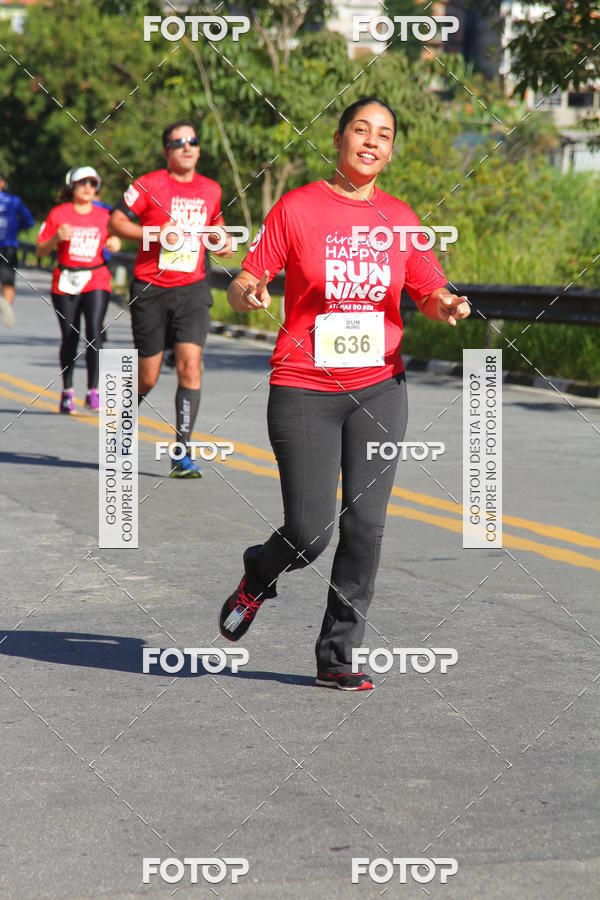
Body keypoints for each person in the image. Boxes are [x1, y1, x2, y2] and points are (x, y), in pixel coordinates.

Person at [219, 97, 470, 691]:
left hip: (380, 387)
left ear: (391, 149)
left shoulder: (402, 217)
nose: (372, 142)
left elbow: (428, 287)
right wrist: (246, 293)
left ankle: (338, 656)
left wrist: (448, 304)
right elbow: (248, 278)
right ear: (338, 140)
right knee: (309, 533)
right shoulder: (298, 207)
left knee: (365, 527)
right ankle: (259, 571)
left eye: (384, 134)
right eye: (361, 130)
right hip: (304, 385)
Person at [109, 120, 233, 478]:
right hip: (150, 289)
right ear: (167, 151)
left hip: (193, 289)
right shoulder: (148, 184)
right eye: (179, 142)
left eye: (193, 141)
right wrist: (153, 233)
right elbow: (117, 222)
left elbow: (217, 226)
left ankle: (181, 452)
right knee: (147, 376)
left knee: (190, 366)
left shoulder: (211, 189)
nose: (187, 147)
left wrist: (223, 242)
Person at [37, 167, 121, 413]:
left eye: (92, 183)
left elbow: (115, 238)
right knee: (70, 337)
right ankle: (67, 390)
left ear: (97, 188)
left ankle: (93, 391)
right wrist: (55, 240)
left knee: (94, 331)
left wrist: (115, 242)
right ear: (71, 187)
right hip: (65, 280)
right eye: (82, 183)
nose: (87, 187)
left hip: (96, 278)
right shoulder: (58, 213)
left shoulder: (105, 215)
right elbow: (40, 250)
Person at [0, 170, 35, 328]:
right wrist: (14, 229)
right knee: (8, 282)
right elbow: (29, 221)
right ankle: (7, 309)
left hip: (8, 246)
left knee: (7, 281)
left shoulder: (15, 201)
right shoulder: (14, 201)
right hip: (9, 245)